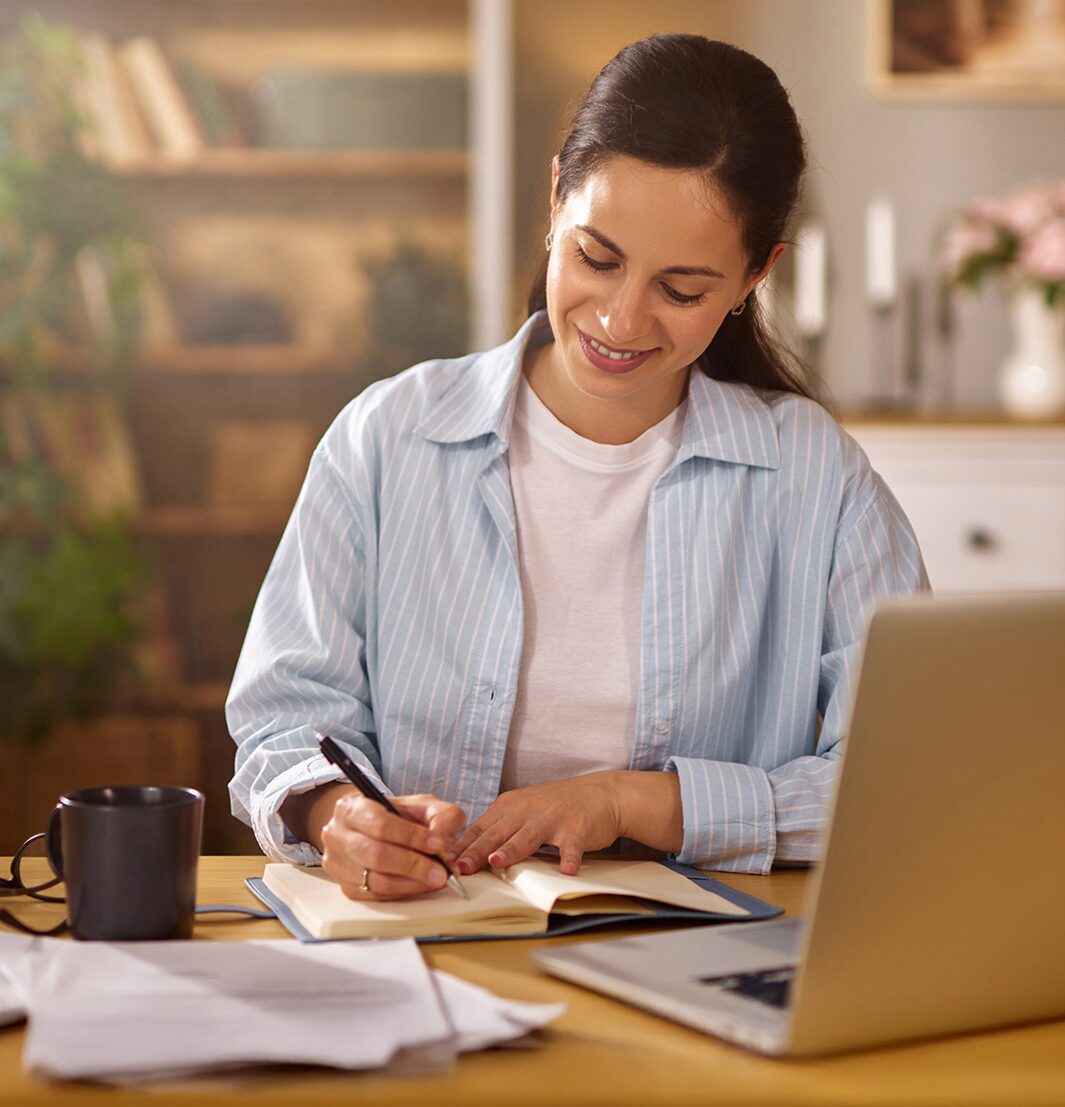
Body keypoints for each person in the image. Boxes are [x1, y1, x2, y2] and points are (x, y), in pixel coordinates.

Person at [228, 33, 926, 901]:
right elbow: (281, 721)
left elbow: (904, 777)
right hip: (434, 943)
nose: (621, 320)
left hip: (701, 955)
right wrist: (337, 816)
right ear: (555, 196)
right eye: (597, 258)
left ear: (756, 274)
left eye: (682, 289)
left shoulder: (816, 477)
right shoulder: (387, 438)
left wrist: (634, 801)